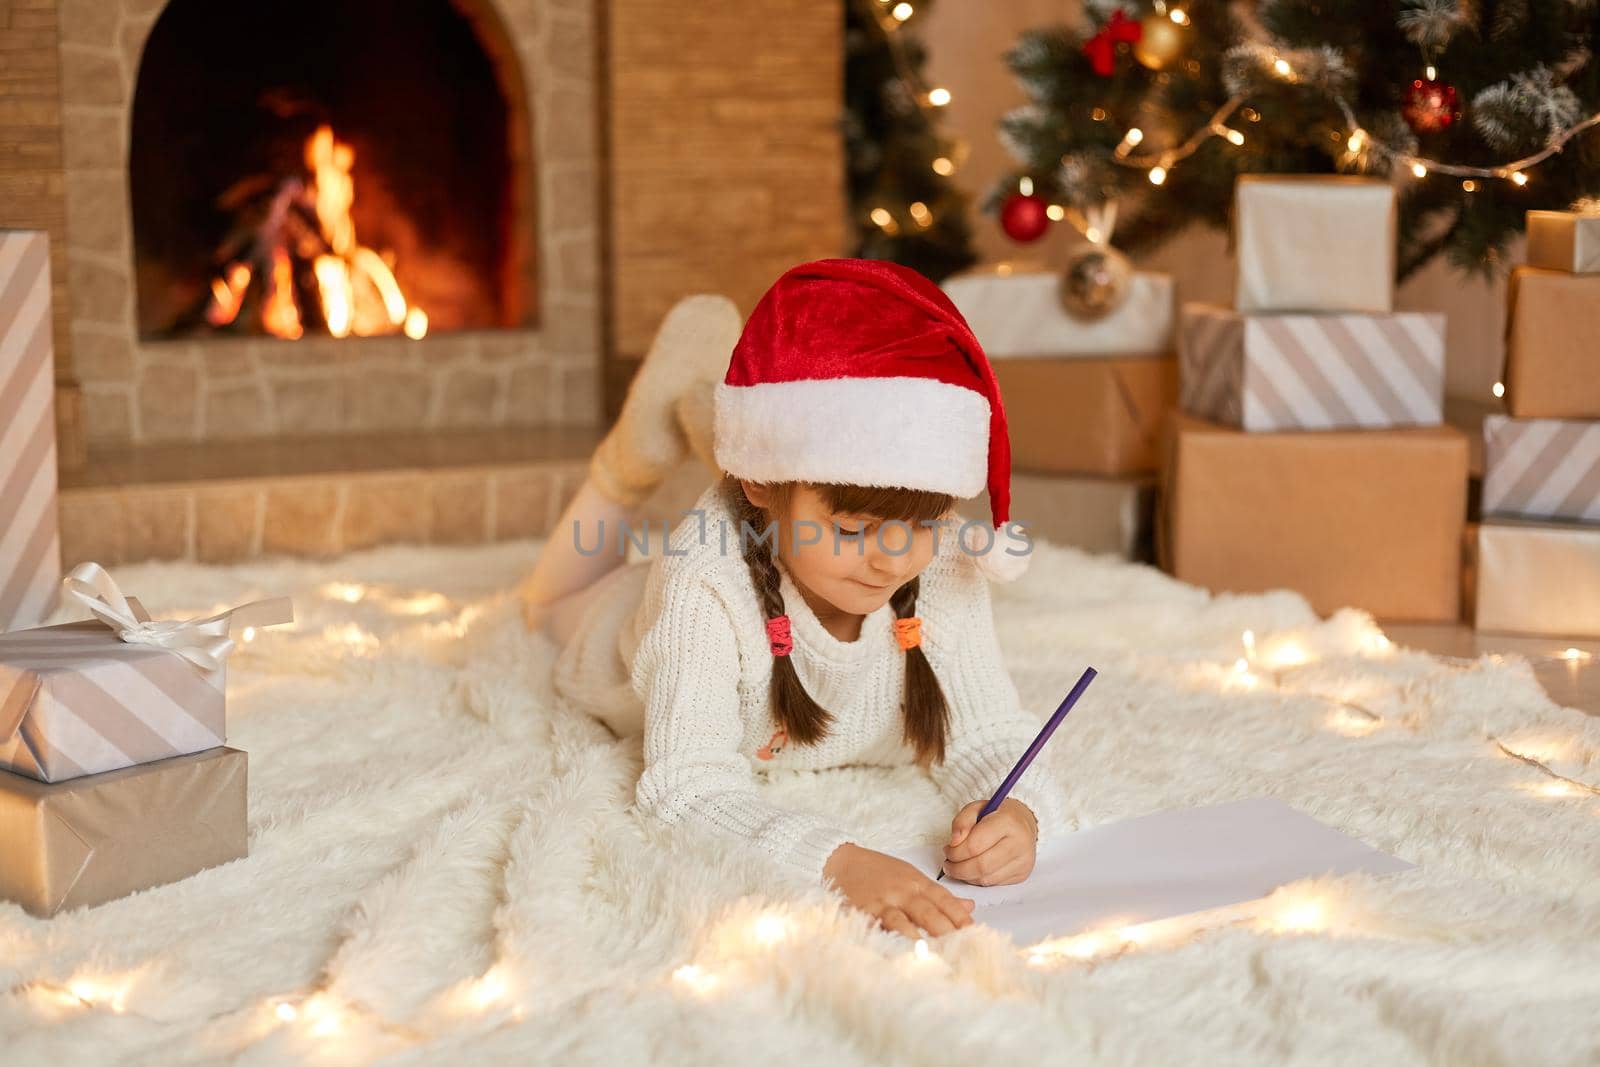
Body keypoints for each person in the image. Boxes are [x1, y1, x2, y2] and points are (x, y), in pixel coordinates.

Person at [520, 258, 1065, 939]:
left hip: (758, 521)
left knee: (833, 520)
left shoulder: (944, 562)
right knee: (546, 604)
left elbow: (989, 733)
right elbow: (685, 787)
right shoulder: (701, 578)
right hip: (626, 623)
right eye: (852, 529)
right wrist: (836, 861)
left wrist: (1020, 813)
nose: (892, 558)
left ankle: (700, 404)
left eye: (922, 524)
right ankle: (636, 452)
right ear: (758, 479)